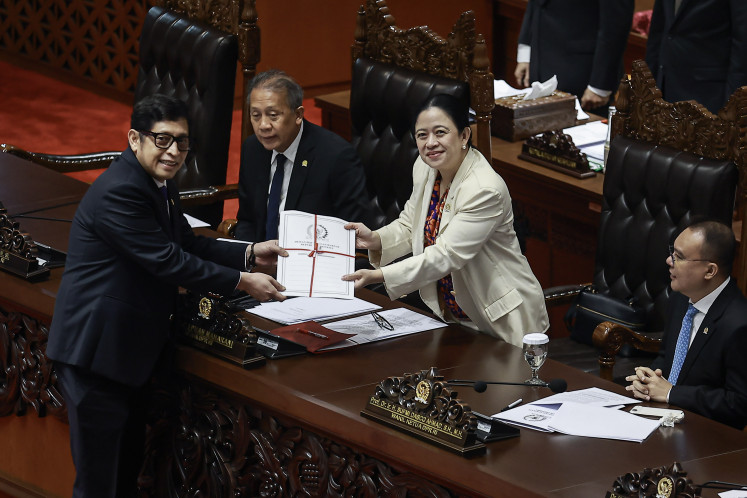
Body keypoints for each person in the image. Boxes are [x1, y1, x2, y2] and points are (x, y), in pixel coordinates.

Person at [46, 94, 287, 497]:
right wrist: (243, 281)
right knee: (99, 486)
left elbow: (187, 243)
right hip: (96, 357)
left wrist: (248, 251)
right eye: (163, 140)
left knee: (122, 478)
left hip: (125, 355)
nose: (174, 152)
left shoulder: (157, 183)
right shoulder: (120, 191)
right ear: (134, 138)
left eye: (182, 142)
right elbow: (169, 261)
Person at [342, 95, 548, 347]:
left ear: (464, 136)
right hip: (451, 316)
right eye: (421, 135)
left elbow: (446, 255)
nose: (430, 143)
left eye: (440, 132)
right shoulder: (424, 167)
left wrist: (380, 275)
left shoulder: (484, 189)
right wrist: (375, 239)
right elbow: (411, 223)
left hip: (501, 321)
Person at [625, 220, 747, 429]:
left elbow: (739, 404)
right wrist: (649, 380)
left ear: (709, 271)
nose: (669, 260)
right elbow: (667, 358)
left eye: (679, 257)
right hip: (661, 417)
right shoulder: (681, 298)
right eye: (673, 252)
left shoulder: (739, 324)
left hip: (706, 435)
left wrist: (672, 393)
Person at [235, 69, 368, 241]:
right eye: (256, 116)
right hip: (261, 260)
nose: (263, 125)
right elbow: (247, 219)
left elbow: (351, 231)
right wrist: (248, 256)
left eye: (273, 115)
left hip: (312, 260)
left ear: (298, 114)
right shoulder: (253, 149)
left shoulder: (336, 157)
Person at [514, 0, 634, 111]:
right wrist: (526, 48)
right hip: (539, 62)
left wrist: (600, 86)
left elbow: (616, 21)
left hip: (583, 75)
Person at [645, 0, 747, 114]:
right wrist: (647, 86)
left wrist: (732, 106)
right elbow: (659, 28)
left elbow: (742, 44)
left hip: (708, 97)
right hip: (662, 87)